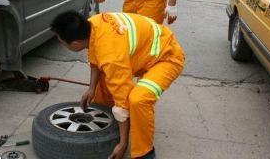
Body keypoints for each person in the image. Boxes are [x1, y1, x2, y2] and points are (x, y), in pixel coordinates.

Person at [51, 11, 185, 159]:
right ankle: (110, 124)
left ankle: (145, 153)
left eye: (63, 43)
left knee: (138, 99)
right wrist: (91, 89)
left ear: (76, 44)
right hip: (145, 52)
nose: (62, 45)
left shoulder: (111, 55)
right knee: (104, 83)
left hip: (166, 58)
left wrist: (122, 144)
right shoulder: (93, 24)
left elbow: (122, 100)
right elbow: (96, 61)